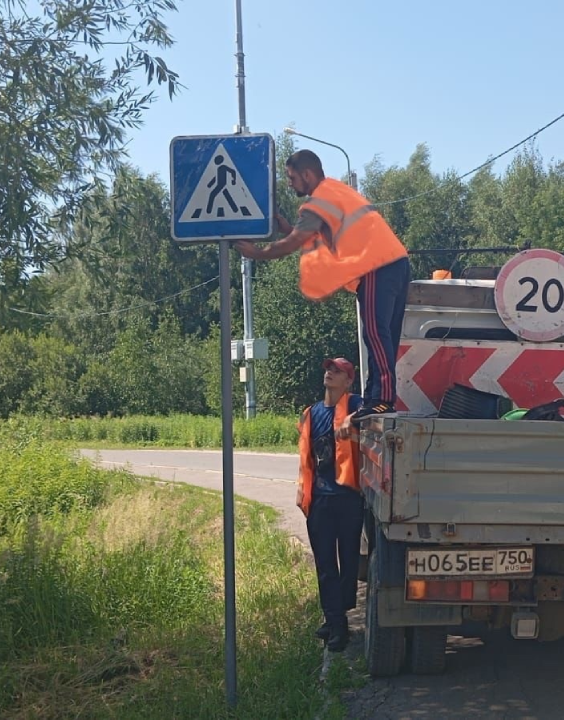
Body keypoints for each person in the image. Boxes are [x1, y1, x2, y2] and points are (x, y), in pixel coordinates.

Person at [235, 150, 411, 422]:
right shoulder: (334, 191)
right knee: (382, 335)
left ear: (307, 174)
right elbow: (318, 234)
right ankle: (377, 396)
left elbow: (295, 242)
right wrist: (288, 229)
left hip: (377, 265)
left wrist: (257, 253)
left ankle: (382, 400)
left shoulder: (318, 202)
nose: (290, 183)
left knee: (376, 335)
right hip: (395, 262)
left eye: (292, 178)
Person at [297, 357, 365, 652]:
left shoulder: (356, 405)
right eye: (328, 369)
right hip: (320, 500)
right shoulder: (310, 413)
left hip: (349, 499)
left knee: (349, 562)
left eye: (337, 371)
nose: (329, 373)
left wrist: (354, 418)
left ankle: (340, 610)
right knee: (325, 565)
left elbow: (382, 410)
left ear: (348, 381)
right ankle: (336, 622)